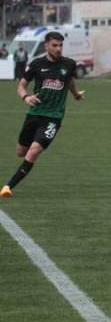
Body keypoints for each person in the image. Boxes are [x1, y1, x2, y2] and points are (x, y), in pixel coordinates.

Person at [1, 32, 85, 198]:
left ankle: (7, 187)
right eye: (54, 45)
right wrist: (26, 97)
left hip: (54, 117)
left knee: (34, 150)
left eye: (61, 45)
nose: (58, 49)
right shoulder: (37, 64)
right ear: (46, 46)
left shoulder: (69, 64)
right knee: (21, 152)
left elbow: (69, 80)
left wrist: (75, 94)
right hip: (34, 114)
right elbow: (21, 86)